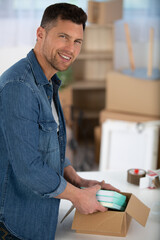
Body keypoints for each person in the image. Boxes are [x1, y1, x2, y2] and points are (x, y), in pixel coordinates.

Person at [0, 3, 119, 240]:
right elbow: (29, 168)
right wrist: (77, 196)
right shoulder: (19, 87)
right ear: (40, 34)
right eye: (63, 36)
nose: (70, 49)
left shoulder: (48, 82)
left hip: (41, 220)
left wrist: (77, 179)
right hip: (16, 227)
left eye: (77, 41)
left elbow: (47, 143)